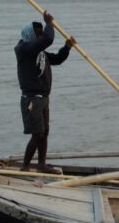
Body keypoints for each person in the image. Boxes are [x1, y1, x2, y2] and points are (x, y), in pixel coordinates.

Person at [14, 11, 76, 173]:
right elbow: (48, 39)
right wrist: (50, 23)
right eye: (38, 33)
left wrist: (67, 47)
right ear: (30, 34)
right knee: (37, 134)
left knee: (45, 132)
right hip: (31, 100)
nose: (41, 36)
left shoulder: (39, 52)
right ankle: (25, 167)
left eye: (42, 32)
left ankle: (41, 164)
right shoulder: (24, 50)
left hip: (43, 99)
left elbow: (56, 59)